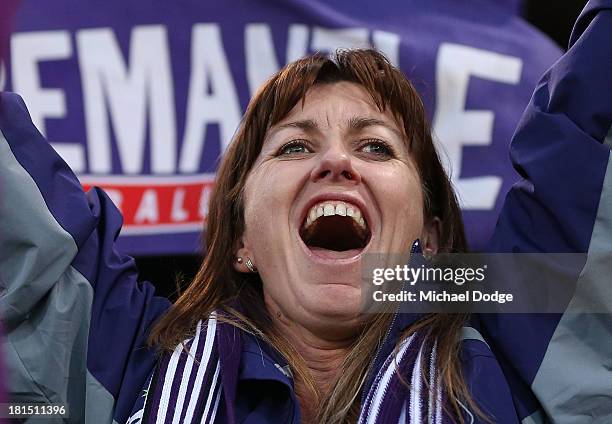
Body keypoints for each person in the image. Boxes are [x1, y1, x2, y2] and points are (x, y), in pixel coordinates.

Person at [1, 1, 612, 423]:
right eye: (295, 146)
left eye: (375, 146)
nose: (336, 164)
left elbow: (591, 142)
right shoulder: (119, 360)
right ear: (240, 238)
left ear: (427, 235)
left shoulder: (518, 368)